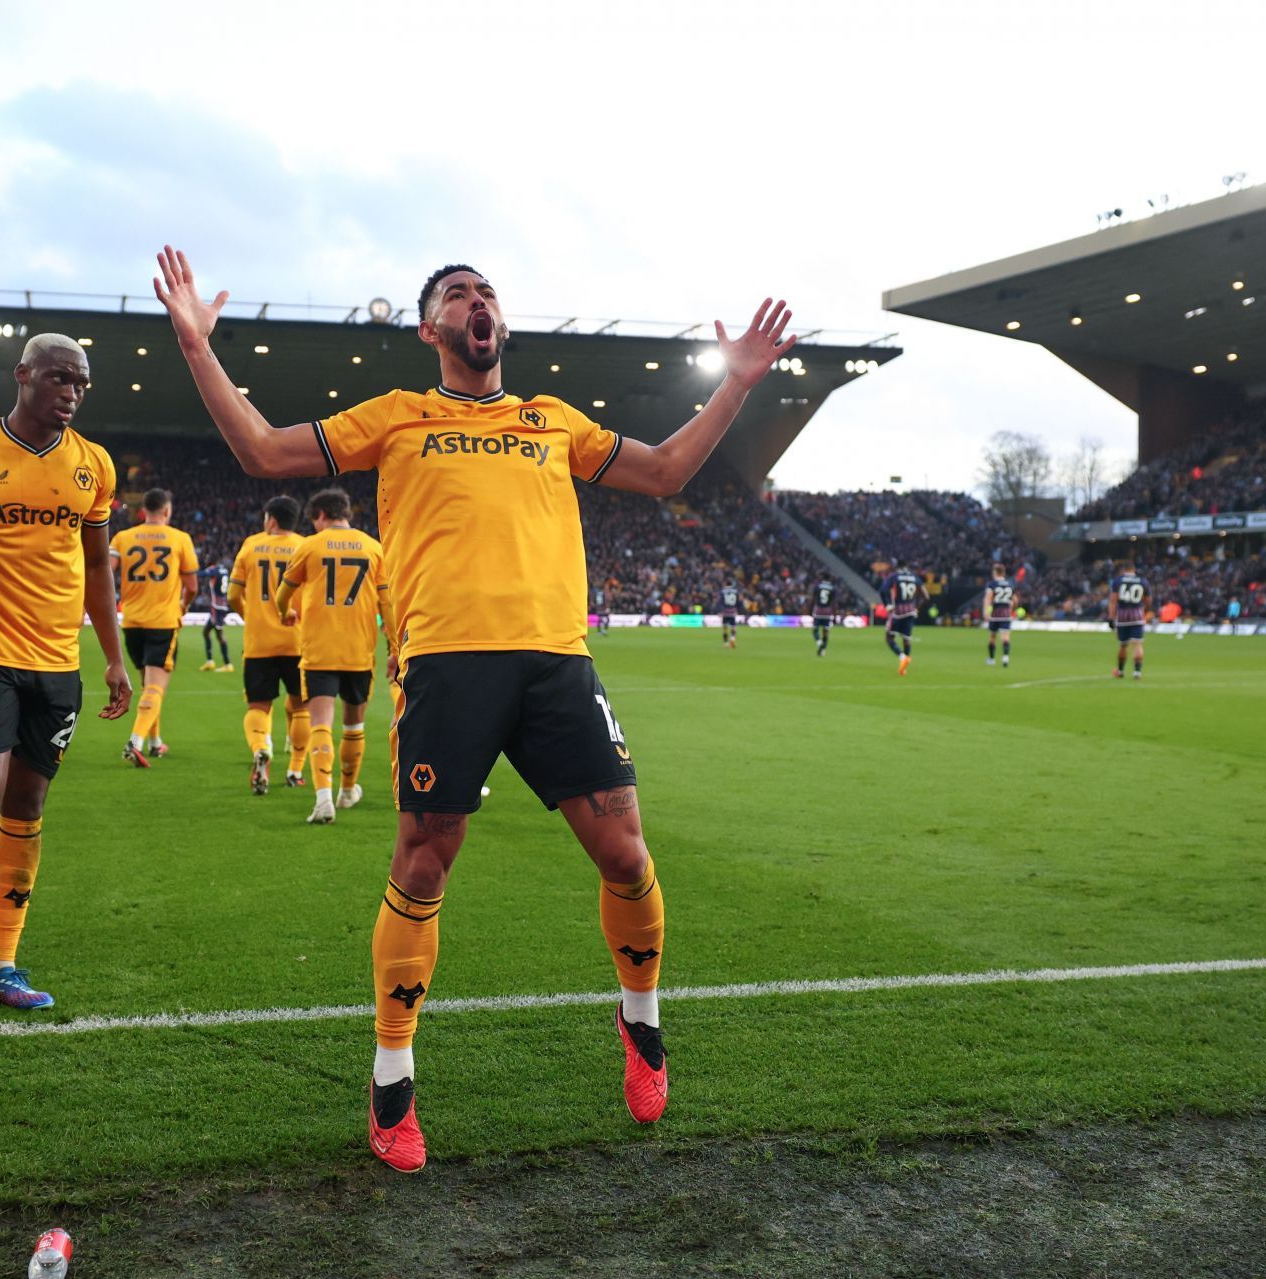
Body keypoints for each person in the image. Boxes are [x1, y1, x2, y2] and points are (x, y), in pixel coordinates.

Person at [154, 247, 794, 1172]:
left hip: (557, 663)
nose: (477, 301)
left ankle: (643, 1023)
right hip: (446, 664)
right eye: (458, 295)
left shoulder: (551, 421)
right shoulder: (397, 416)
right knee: (423, 861)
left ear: (501, 322)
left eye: (486, 291)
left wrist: (734, 386)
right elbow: (261, 450)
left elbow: (661, 473)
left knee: (626, 851)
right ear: (431, 330)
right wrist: (196, 348)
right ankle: (391, 1079)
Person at [0, 334, 132, 1030]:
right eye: (59, 377)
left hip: (56, 660)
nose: (71, 391)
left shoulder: (93, 466)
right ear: (23, 375)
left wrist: (113, 655)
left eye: (81, 382)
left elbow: (97, 566)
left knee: (27, 806)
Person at [275, 488, 386, 823]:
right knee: (354, 725)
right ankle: (348, 790)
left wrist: (285, 613)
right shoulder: (373, 547)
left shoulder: (310, 545)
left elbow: (283, 594)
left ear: (321, 514)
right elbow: (387, 603)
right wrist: (395, 646)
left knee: (321, 723)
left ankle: (324, 798)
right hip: (358, 649)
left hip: (319, 649)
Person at [109, 488, 199, 767]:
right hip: (163, 620)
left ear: (143, 511)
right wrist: (182, 607)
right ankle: (135, 741)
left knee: (148, 684)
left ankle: (155, 742)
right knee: (156, 687)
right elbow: (193, 587)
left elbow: (105, 569)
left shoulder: (123, 538)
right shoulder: (180, 538)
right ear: (167, 511)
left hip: (133, 621)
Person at [229, 497, 308, 795]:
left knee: (258, 706)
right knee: (302, 707)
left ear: (271, 520)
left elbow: (232, 595)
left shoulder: (250, 545)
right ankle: (295, 770)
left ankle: (261, 748)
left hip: (259, 642)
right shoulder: (304, 546)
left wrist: (251, 617)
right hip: (297, 640)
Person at [1110, 562, 1149, 680]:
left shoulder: (1118, 581)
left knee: (1123, 645)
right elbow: (1148, 600)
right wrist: (1144, 612)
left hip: (1122, 615)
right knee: (1137, 644)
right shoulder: (1142, 581)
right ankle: (1137, 672)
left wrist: (1111, 617)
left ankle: (1120, 671)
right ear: (1134, 569)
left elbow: (1113, 601)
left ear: (1124, 569)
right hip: (1137, 614)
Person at [884, 563, 924, 675]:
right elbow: (926, 596)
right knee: (906, 638)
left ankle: (902, 657)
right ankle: (904, 668)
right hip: (911, 611)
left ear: (897, 567)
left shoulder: (894, 576)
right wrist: (917, 608)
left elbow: (883, 590)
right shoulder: (914, 576)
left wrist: (887, 604)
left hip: (897, 612)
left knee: (889, 638)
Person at [198, 558, 234, 672]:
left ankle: (228, 664)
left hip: (217, 607)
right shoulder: (225, 570)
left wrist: (191, 572)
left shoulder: (214, 570)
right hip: (220, 606)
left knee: (219, 635)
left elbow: (202, 574)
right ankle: (209, 661)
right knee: (206, 632)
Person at [983, 563, 1015, 668]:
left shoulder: (992, 584)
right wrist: (1011, 609)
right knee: (1005, 637)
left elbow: (988, 598)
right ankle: (1005, 657)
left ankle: (991, 659)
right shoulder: (1010, 584)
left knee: (992, 636)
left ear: (995, 572)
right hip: (1006, 614)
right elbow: (1014, 600)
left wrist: (986, 611)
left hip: (995, 614)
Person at [810, 577, 837, 657]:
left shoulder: (818, 586)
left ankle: (819, 643)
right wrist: (834, 616)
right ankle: (823, 651)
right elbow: (834, 603)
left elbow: (812, 599)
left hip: (818, 611)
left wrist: (810, 610)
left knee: (815, 630)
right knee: (825, 632)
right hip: (827, 612)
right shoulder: (833, 588)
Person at [718, 583, 742, 648]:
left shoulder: (723, 592)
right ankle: (732, 638)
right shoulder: (735, 592)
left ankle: (726, 643)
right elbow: (738, 601)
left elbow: (721, 602)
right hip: (732, 611)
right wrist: (738, 609)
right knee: (733, 627)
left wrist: (720, 611)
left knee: (725, 628)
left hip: (725, 611)